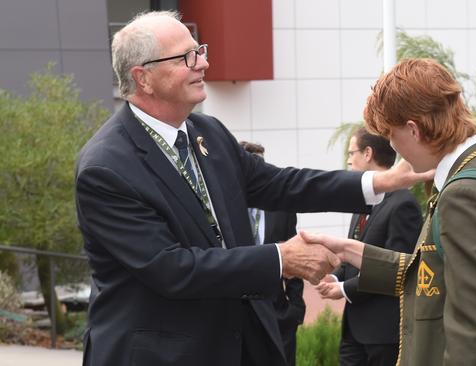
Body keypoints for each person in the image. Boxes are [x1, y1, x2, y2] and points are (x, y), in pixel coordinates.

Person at [74, 11, 432, 366]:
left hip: (237, 344)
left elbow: (278, 184)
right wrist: (281, 258)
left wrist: (377, 182)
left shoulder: (207, 131)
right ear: (144, 78)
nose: (204, 62)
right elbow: (173, 268)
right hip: (159, 355)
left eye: (200, 49)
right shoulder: (106, 168)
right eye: (187, 56)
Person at [303, 58, 476, 365]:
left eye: (391, 136)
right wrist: (353, 250)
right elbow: (436, 273)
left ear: (413, 129)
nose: (395, 150)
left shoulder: (465, 195)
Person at [316, 127, 422, 366]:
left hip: (383, 333)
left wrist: (344, 289)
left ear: (368, 154)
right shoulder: (363, 202)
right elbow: (351, 254)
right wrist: (334, 278)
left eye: (351, 152)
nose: (348, 160)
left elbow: (397, 269)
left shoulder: (403, 205)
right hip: (354, 329)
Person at [240, 141, 304, 366]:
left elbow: (295, 251)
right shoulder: (226, 209)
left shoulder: (282, 206)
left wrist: (295, 308)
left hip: (279, 314)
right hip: (238, 315)